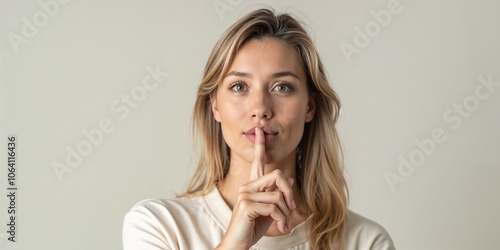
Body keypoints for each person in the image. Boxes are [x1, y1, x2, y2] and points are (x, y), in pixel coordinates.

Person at [123, 8, 395, 250]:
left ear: (310, 107)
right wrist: (235, 243)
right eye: (239, 87)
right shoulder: (158, 226)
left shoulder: (365, 241)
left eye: (282, 87)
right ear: (215, 106)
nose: (260, 108)